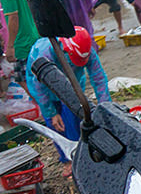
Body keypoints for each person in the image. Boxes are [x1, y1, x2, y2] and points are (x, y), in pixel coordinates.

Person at [25, 27, 109, 178]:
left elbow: (98, 77)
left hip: (73, 86)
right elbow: (38, 87)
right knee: (58, 125)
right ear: (64, 50)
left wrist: (106, 107)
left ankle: (83, 155)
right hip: (46, 90)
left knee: (77, 119)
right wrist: (51, 112)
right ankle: (67, 161)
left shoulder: (86, 48)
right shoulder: (45, 52)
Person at [1, 0, 39, 80]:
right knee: (39, 76)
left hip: (22, 42)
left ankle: (42, 101)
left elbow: (13, 18)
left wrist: (10, 46)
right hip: (35, 36)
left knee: (25, 80)